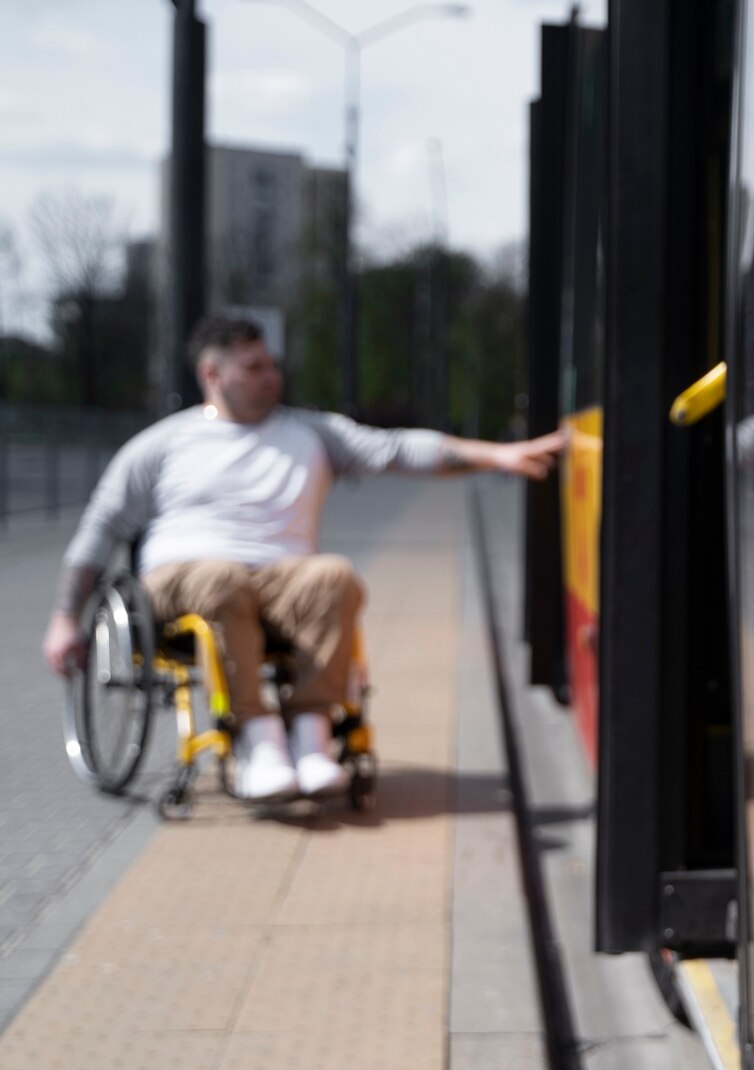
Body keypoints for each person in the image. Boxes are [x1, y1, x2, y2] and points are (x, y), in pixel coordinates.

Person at [42, 314, 564, 800]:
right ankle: (258, 738)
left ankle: (311, 732)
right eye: (254, 367)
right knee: (221, 579)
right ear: (212, 374)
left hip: (279, 580)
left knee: (336, 576)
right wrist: (67, 617)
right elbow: (103, 527)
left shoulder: (311, 433)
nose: (271, 376)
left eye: (272, 365)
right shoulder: (161, 444)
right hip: (183, 579)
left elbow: (400, 449)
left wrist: (499, 455)